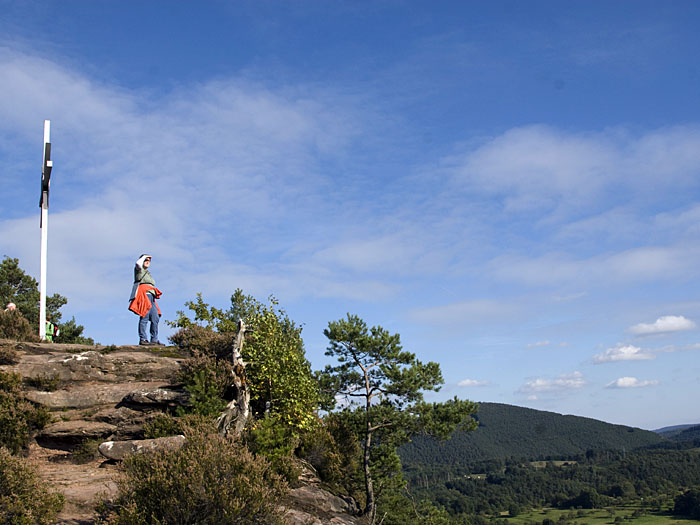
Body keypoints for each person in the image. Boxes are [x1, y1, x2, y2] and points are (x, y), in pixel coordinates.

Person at [128, 254, 164, 346]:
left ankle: (154, 340)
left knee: (155, 317)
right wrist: (144, 257)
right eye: (146, 260)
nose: (148, 262)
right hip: (144, 295)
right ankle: (143, 339)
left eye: (149, 261)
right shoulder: (139, 270)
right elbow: (138, 263)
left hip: (151, 297)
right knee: (144, 316)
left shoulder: (148, 273)